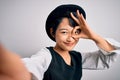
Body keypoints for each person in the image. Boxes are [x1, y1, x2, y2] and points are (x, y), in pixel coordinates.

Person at [0, 4, 120, 80]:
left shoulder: (77, 57)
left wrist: (93, 36)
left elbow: (106, 58)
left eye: (76, 32)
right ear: (53, 32)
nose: (70, 38)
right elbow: (31, 66)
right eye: (64, 32)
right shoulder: (46, 55)